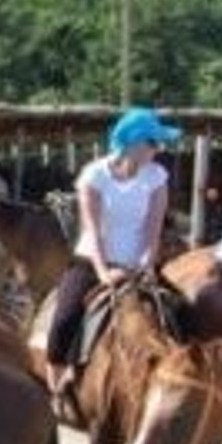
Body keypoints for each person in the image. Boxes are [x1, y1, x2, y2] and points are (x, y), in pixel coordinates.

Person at [43, 107, 178, 408]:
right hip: (93, 260)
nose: (159, 150)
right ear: (134, 143)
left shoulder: (156, 176)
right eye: (154, 143)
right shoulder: (95, 175)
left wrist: (144, 266)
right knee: (64, 319)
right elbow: (93, 229)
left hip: (138, 264)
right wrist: (104, 273)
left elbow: (152, 229)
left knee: (179, 314)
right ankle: (56, 390)